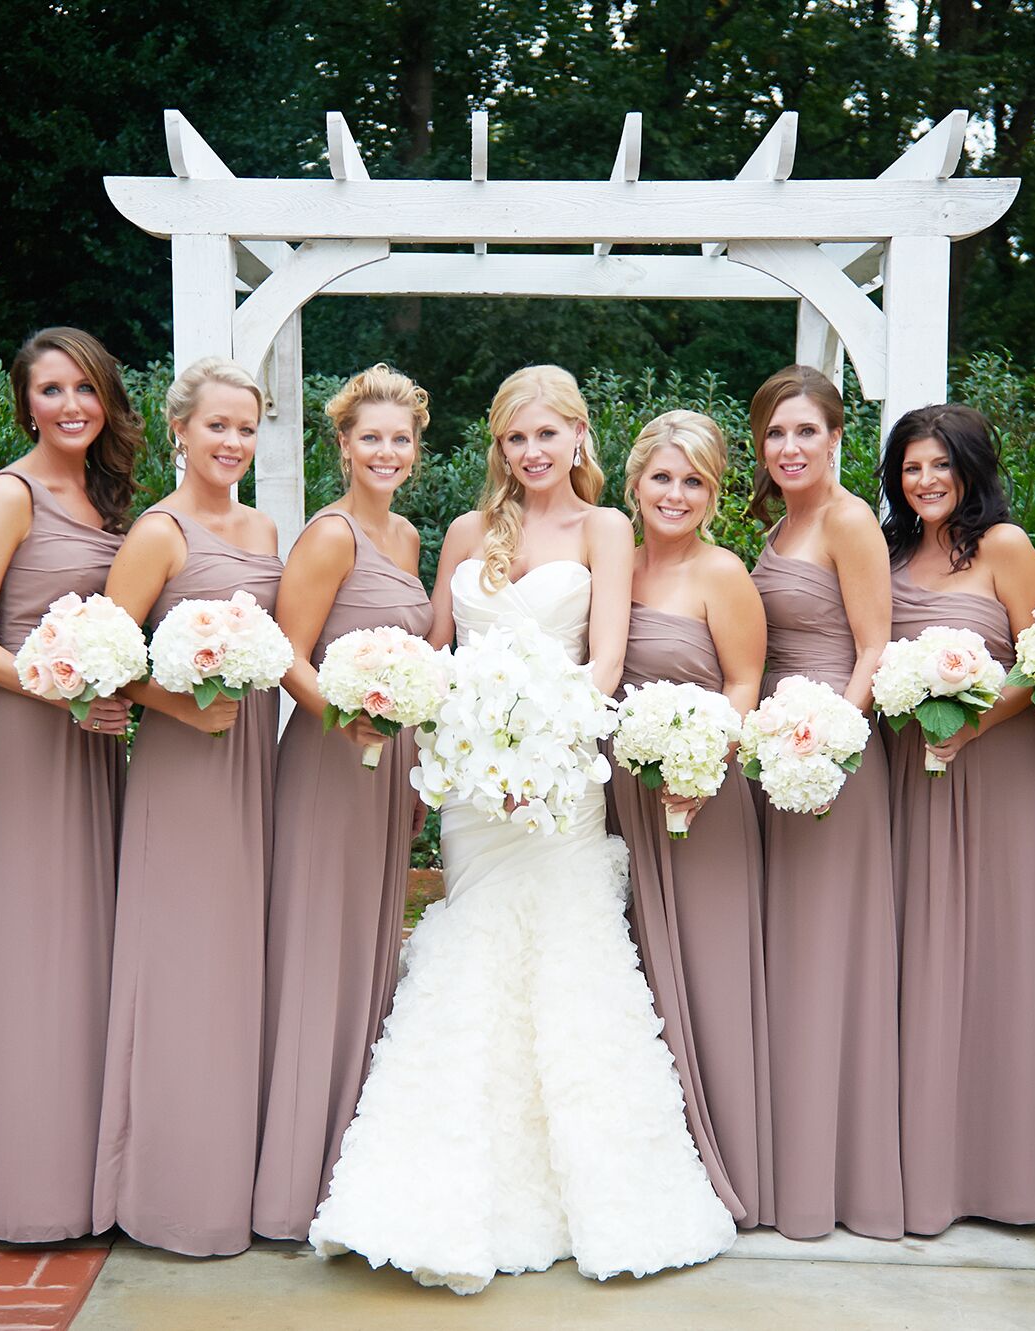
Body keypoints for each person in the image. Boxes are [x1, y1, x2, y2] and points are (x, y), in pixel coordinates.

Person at [308, 365, 736, 1293]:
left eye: (547, 435)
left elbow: (608, 659)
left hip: (562, 778)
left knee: (568, 955)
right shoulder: (465, 532)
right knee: (477, 957)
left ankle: (600, 1194)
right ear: (497, 446)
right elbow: (433, 650)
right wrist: (433, 718)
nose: (531, 453)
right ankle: (447, 1188)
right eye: (514, 438)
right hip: (470, 784)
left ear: (579, 436)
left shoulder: (607, 528)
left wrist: (537, 743)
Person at [0, 327, 140, 1242]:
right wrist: (63, 687)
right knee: (29, 950)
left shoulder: (110, 500)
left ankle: (83, 1174)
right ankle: (16, 1185)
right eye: (52, 390)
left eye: (86, 389)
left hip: (96, 747)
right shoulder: (7, 495)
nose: (71, 405)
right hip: (29, 739)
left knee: (87, 949)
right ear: (25, 402)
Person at [878, 403, 1035, 1235]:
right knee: (922, 960)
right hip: (914, 776)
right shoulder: (893, 551)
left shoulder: (1003, 547)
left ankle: (1003, 1170)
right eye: (909, 467)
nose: (924, 481)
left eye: (940, 464)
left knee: (998, 962)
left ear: (970, 469)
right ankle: (926, 1165)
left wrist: (974, 722)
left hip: (999, 774)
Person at [93, 357, 283, 1255]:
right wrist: (184, 706)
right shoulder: (157, 533)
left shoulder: (265, 526)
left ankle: (230, 1177)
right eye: (218, 425)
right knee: (182, 960)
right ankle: (169, 1190)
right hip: (182, 764)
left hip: (251, 763)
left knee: (235, 963)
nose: (233, 442)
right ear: (180, 429)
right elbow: (102, 655)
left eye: (246, 427)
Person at [253, 365, 433, 1242]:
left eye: (400, 438)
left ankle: (348, 1163)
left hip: (388, 763)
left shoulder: (404, 537)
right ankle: (292, 1176)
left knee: (365, 949)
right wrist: (349, 719)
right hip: (332, 757)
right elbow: (287, 653)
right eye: (371, 438)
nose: (387, 451)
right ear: (343, 445)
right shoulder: (329, 535)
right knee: (318, 945)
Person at [745, 365, 903, 1240]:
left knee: (827, 955)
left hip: (831, 759)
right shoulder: (780, 524)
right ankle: (786, 1165)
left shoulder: (847, 521)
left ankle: (836, 1179)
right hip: (777, 757)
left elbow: (875, 643)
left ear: (837, 438)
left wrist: (830, 742)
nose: (790, 447)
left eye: (806, 430)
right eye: (775, 433)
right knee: (789, 954)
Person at [608, 409, 772, 1228]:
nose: (675, 494)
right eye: (662, 477)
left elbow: (745, 684)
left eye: (694, 481)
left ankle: (727, 1167)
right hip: (613, 803)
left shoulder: (723, 574)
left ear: (713, 494)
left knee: (705, 979)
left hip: (698, 800)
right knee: (625, 979)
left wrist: (700, 766)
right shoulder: (611, 565)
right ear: (634, 482)